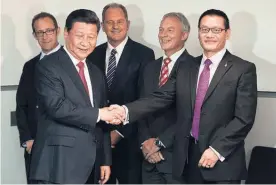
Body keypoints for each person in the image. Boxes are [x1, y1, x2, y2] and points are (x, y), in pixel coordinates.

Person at [109, 9, 258, 184]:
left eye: (216, 30)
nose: (209, 35)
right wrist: (125, 111)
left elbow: (243, 119)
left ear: (227, 33)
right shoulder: (188, 67)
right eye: (204, 29)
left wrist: (217, 150)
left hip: (222, 164)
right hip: (188, 161)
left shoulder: (243, 69)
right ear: (198, 33)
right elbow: (159, 98)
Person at [29, 9, 118, 184]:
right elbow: (57, 107)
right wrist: (101, 113)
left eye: (91, 37)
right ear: (66, 33)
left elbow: (102, 122)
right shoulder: (48, 66)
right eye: (80, 36)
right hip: (58, 165)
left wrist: (105, 160)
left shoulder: (96, 72)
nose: (85, 42)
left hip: (91, 165)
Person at [87, 3, 155, 184]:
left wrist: (119, 132)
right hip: (98, 142)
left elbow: (145, 100)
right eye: (110, 22)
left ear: (128, 23)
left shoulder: (144, 54)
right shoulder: (92, 54)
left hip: (130, 140)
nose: (115, 26)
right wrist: (103, 136)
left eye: (119, 21)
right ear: (102, 26)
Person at [138, 12, 190, 184]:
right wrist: (146, 143)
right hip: (148, 158)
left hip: (176, 158)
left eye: (170, 30)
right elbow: (142, 107)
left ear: (184, 35)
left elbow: (191, 114)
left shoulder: (194, 67)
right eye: (161, 30)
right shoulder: (150, 67)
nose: (163, 35)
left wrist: (160, 143)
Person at [16, 12, 61, 184]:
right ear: (34, 35)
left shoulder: (73, 61)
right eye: (40, 32)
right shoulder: (29, 66)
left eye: (48, 30)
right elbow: (21, 106)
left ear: (57, 31)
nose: (45, 36)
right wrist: (27, 140)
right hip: (36, 146)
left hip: (66, 148)